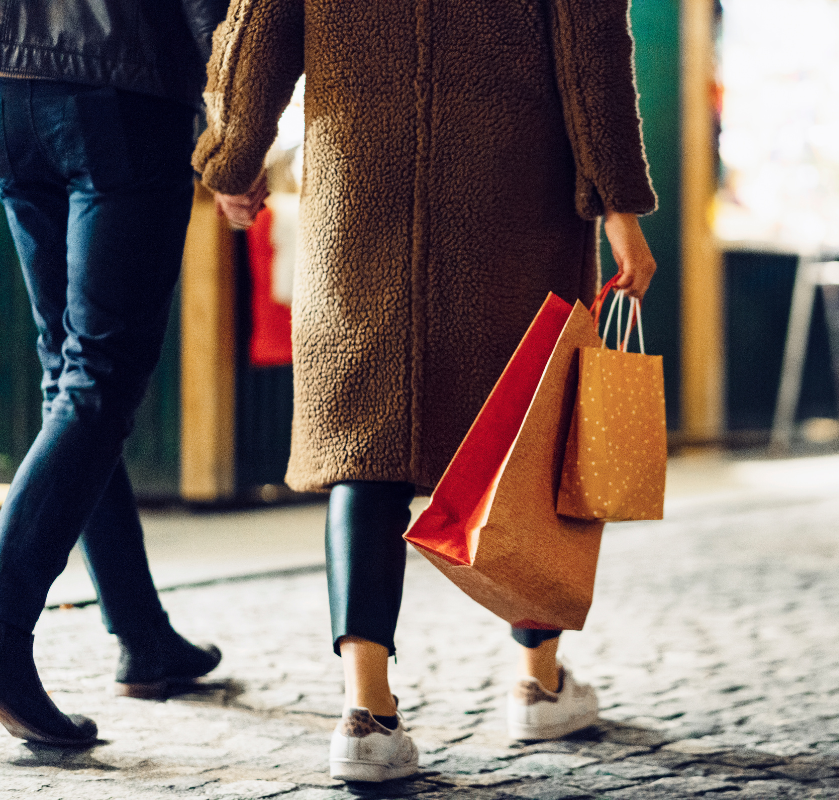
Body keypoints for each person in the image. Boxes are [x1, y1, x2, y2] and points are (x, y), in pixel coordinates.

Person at [193, 0, 658, 783]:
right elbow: (592, 53)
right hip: (515, 199)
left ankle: (366, 712)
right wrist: (620, 207)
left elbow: (258, 28)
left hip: (359, 192)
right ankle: (539, 683)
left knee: (362, 441)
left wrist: (232, 161)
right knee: (525, 434)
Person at [0, 1, 228, 746]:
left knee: (69, 371)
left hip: (10, 85)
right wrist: (236, 123)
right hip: (123, 86)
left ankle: (141, 632)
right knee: (96, 378)